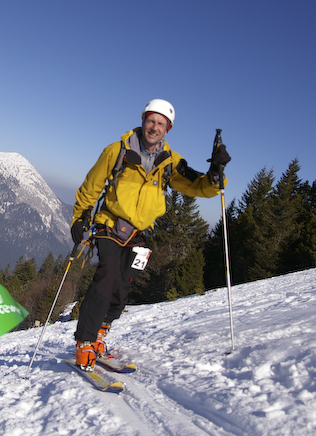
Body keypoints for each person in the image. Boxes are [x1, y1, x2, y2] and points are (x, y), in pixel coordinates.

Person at [70, 99, 231, 369]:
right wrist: (79, 218)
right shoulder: (117, 151)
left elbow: (198, 186)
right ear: (143, 120)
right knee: (106, 277)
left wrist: (216, 174)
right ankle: (84, 341)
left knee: (122, 287)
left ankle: (101, 332)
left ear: (168, 129)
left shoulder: (171, 163)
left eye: (160, 123)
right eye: (150, 121)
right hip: (110, 224)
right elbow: (92, 185)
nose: (154, 127)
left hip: (140, 234)